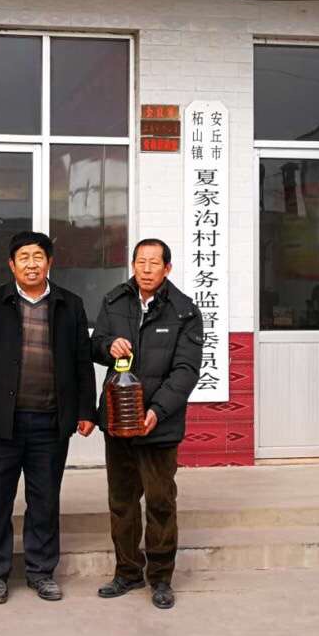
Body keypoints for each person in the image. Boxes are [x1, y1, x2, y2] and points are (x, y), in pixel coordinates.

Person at [0, 231, 97, 605]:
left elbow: (82, 362)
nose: (31, 264)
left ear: (49, 262)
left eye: (38, 256)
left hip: (50, 423)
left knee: (45, 500)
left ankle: (41, 571)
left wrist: (85, 410)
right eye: (23, 257)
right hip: (0, 423)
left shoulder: (69, 305)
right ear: (12, 264)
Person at [91, 238, 203, 610]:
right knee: (122, 501)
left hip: (159, 426)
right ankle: (126, 572)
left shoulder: (184, 311)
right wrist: (108, 346)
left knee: (159, 502)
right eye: (141, 261)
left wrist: (157, 410)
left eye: (155, 263)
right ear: (133, 264)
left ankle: (160, 578)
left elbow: (186, 371)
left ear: (167, 268)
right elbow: (94, 345)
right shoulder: (114, 301)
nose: (147, 268)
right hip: (119, 419)